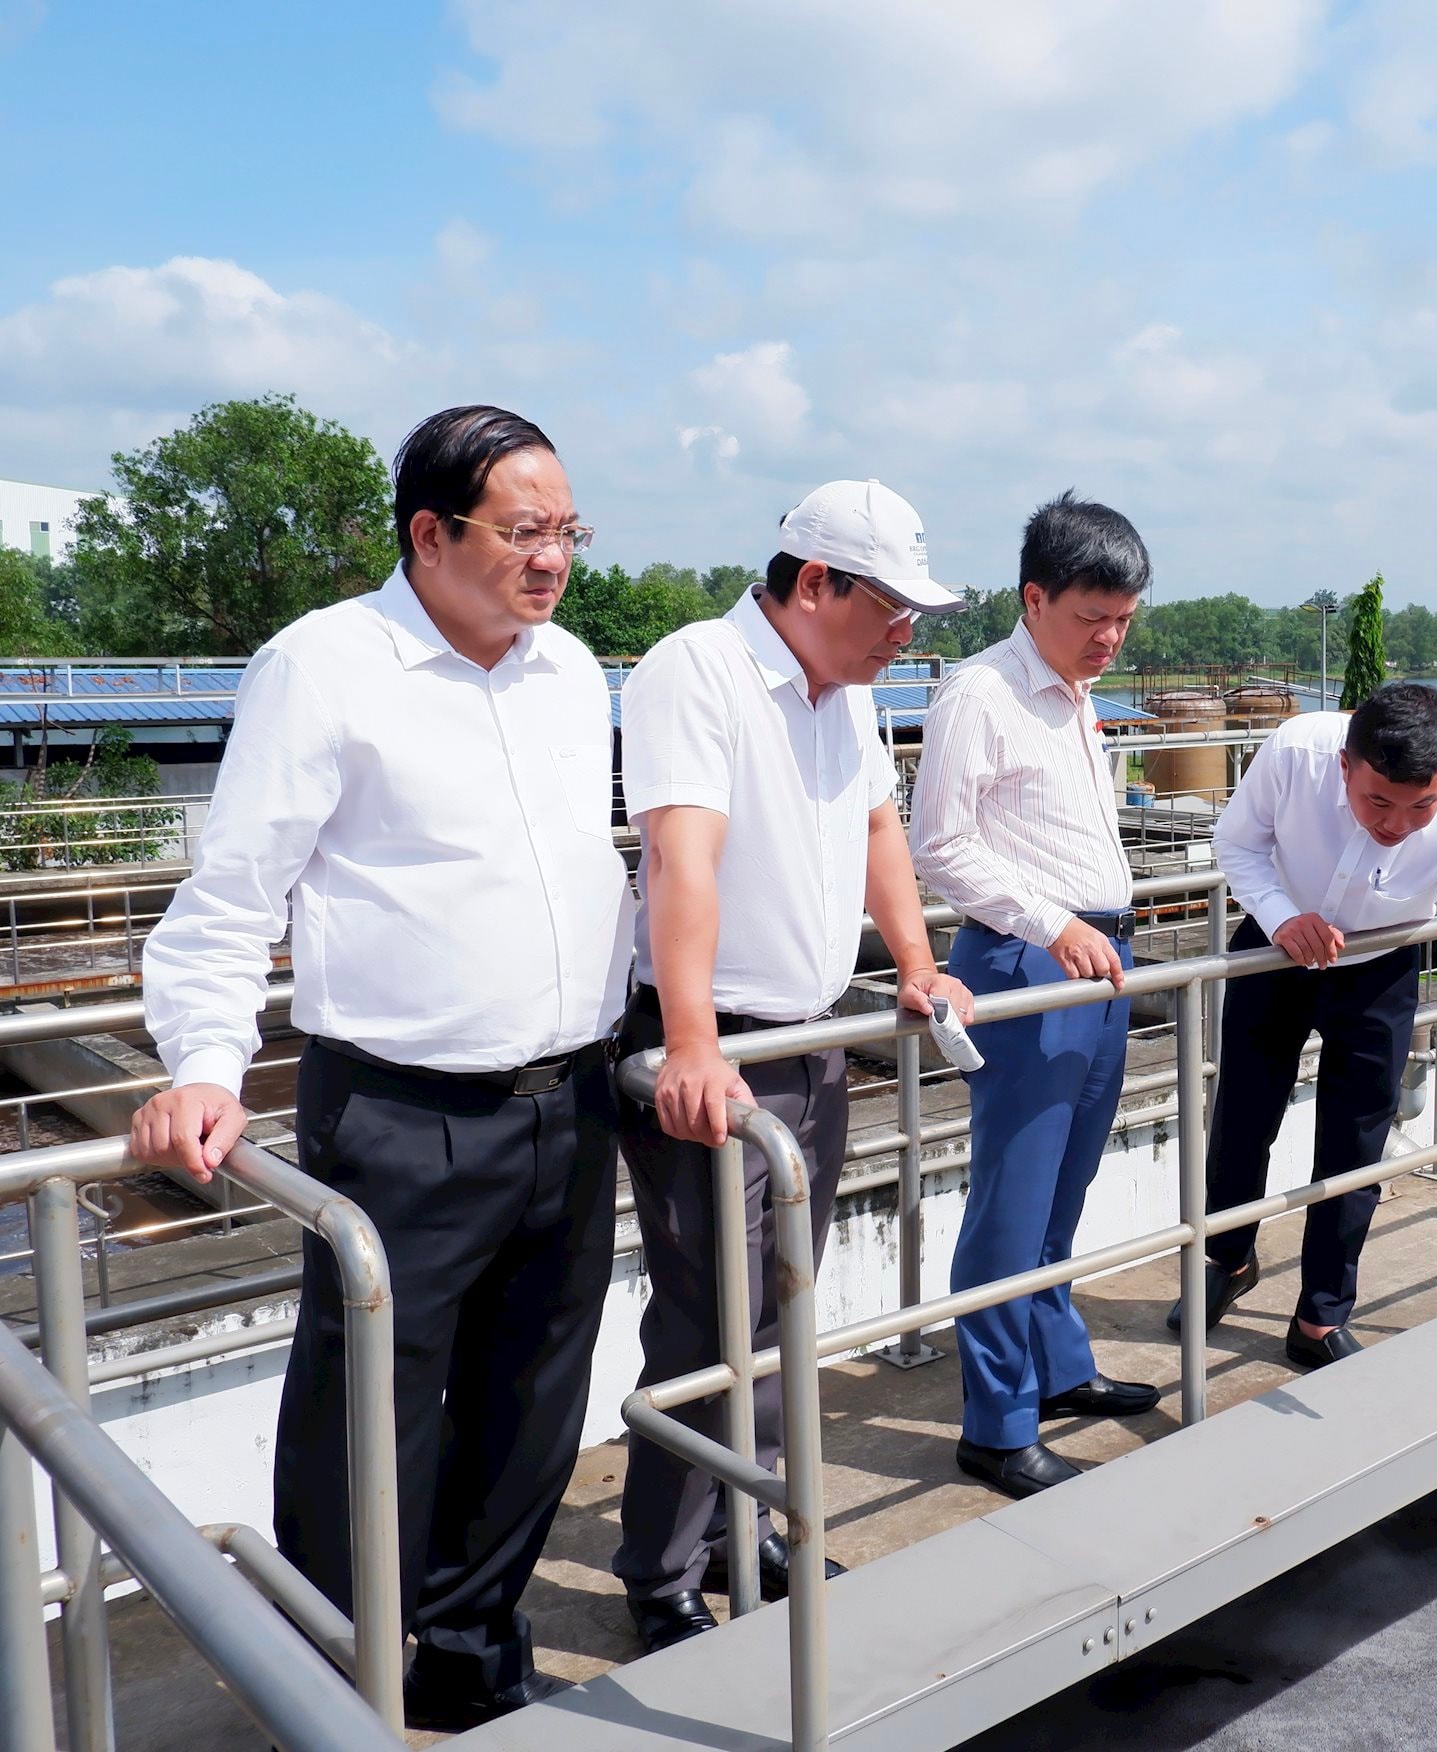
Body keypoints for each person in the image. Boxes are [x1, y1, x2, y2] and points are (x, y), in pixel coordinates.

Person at [131, 406, 631, 1730]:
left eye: (566, 532)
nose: (553, 560)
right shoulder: (327, 667)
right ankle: (336, 1675)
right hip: (406, 1111)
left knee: (535, 1404)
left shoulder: (572, 672)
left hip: (569, 1098)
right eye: (524, 533)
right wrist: (202, 1062)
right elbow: (234, 896)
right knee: (368, 1419)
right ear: (430, 532)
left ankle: (472, 1654)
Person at [611, 480, 977, 1650]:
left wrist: (916, 964)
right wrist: (690, 1043)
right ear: (813, 584)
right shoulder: (697, 671)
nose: (905, 632)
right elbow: (681, 853)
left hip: (811, 1038)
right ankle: (663, 1572)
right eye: (893, 608)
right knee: (708, 1320)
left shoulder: (847, 697)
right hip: (715, 1044)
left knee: (781, 1305)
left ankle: (742, 1519)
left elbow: (879, 831)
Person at [909, 492, 1160, 1498]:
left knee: (1064, 1189)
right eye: (1090, 617)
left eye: (1124, 622)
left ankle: (1056, 1368)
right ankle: (996, 1421)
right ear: (1033, 598)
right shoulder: (981, 694)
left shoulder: (1067, 693)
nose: (1108, 638)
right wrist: (1053, 923)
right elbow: (940, 843)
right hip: (1030, 960)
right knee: (1011, 1203)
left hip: (1098, 960)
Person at [1178, 681, 1437, 1366]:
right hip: (1274, 945)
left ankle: (1320, 1315)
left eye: (1420, 806)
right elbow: (1239, 844)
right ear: (1346, 765)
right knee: (1241, 1118)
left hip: (1383, 960)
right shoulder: (1296, 750)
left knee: (1356, 1143)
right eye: (1379, 801)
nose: (1399, 824)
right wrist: (1283, 914)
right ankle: (1225, 1261)